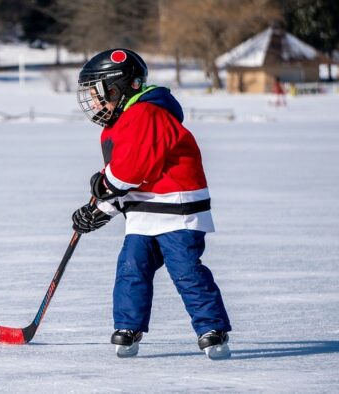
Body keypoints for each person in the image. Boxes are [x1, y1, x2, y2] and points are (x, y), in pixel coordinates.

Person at [71, 49, 232, 359]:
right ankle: (128, 327)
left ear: (120, 88)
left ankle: (212, 328)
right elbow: (127, 183)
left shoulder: (146, 114)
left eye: (99, 94)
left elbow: (131, 171)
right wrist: (99, 210)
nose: (95, 103)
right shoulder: (118, 125)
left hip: (177, 213)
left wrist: (105, 185)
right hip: (144, 215)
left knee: (185, 270)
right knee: (131, 268)